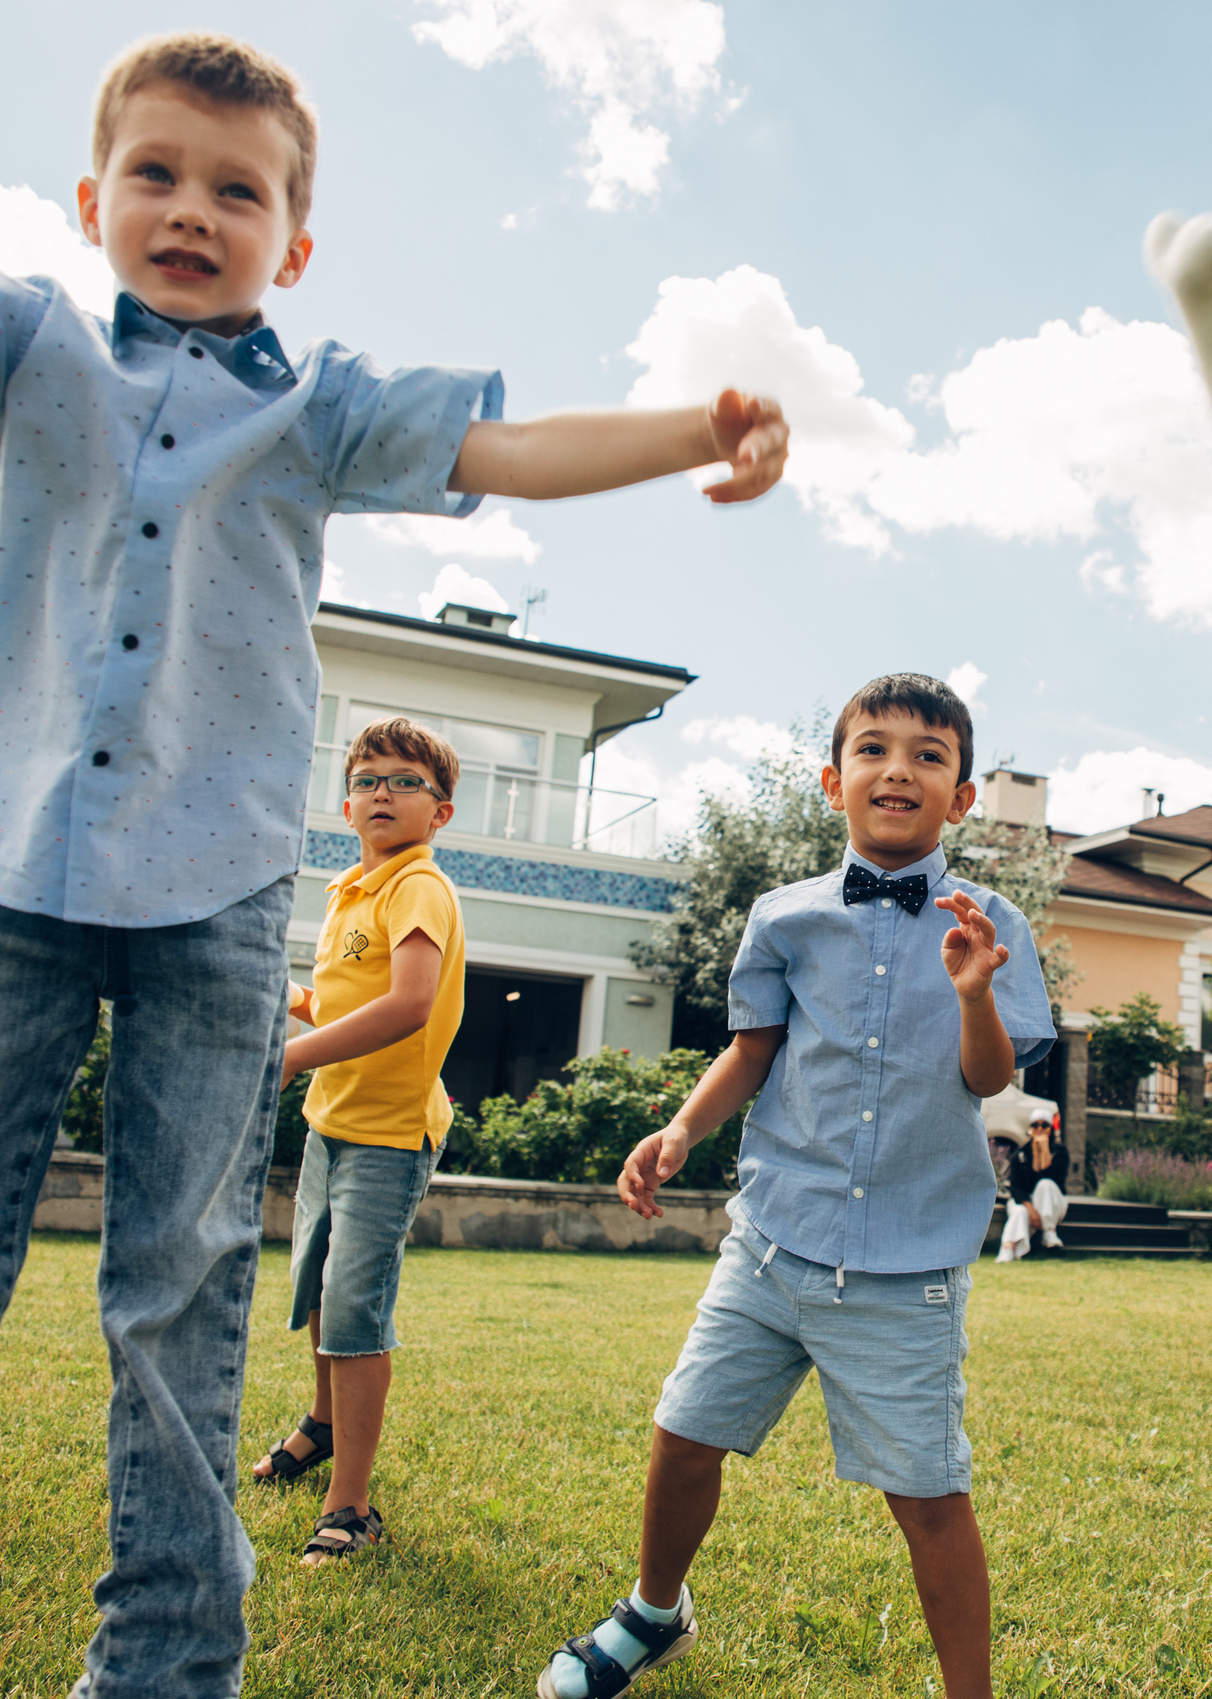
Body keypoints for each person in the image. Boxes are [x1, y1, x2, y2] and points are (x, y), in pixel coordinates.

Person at [0, 4, 788, 1696]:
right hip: (8, 879)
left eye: (236, 192)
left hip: (215, 899)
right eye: (157, 174)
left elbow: (510, 449)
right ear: (92, 191)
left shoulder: (319, 409)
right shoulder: (21, 345)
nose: (192, 209)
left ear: (293, 240)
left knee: (179, 1294)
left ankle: (169, 1665)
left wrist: (698, 430)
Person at [548, 673, 1055, 1699]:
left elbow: (989, 1080)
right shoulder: (783, 916)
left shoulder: (990, 922)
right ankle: (654, 1613)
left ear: (961, 796)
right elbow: (751, 1052)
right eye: (873, 748)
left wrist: (972, 993)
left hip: (907, 1266)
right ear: (834, 781)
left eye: (928, 754)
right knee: (685, 1435)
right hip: (774, 1239)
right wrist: (683, 1127)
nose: (897, 768)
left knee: (927, 1494)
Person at [248, 716, 466, 1568]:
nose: (384, 790)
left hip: (388, 1135)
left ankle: (353, 1506)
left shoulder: (419, 886)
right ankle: (323, 1423)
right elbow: (348, 1000)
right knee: (319, 1286)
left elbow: (410, 1003)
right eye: (369, 777)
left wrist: (290, 1057)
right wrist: (293, 998)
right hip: (331, 1124)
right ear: (346, 803)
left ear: (439, 812)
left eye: (405, 780)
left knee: (355, 1309)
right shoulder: (352, 891)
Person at [995, 1105, 1067, 1261]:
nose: (1039, 1128)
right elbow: (1016, 1187)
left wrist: (1045, 1153)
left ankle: (1049, 1230)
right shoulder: (1020, 1155)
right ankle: (1008, 1247)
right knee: (1020, 1211)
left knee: (1045, 1184)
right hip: (1026, 1202)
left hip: (1053, 1202)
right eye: (1035, 1125)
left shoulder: (1060, 1152)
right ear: (1030, 1128)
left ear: (1050, 1129)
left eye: (1044, 1125)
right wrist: (1030, 1208)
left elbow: (1057, 1181)